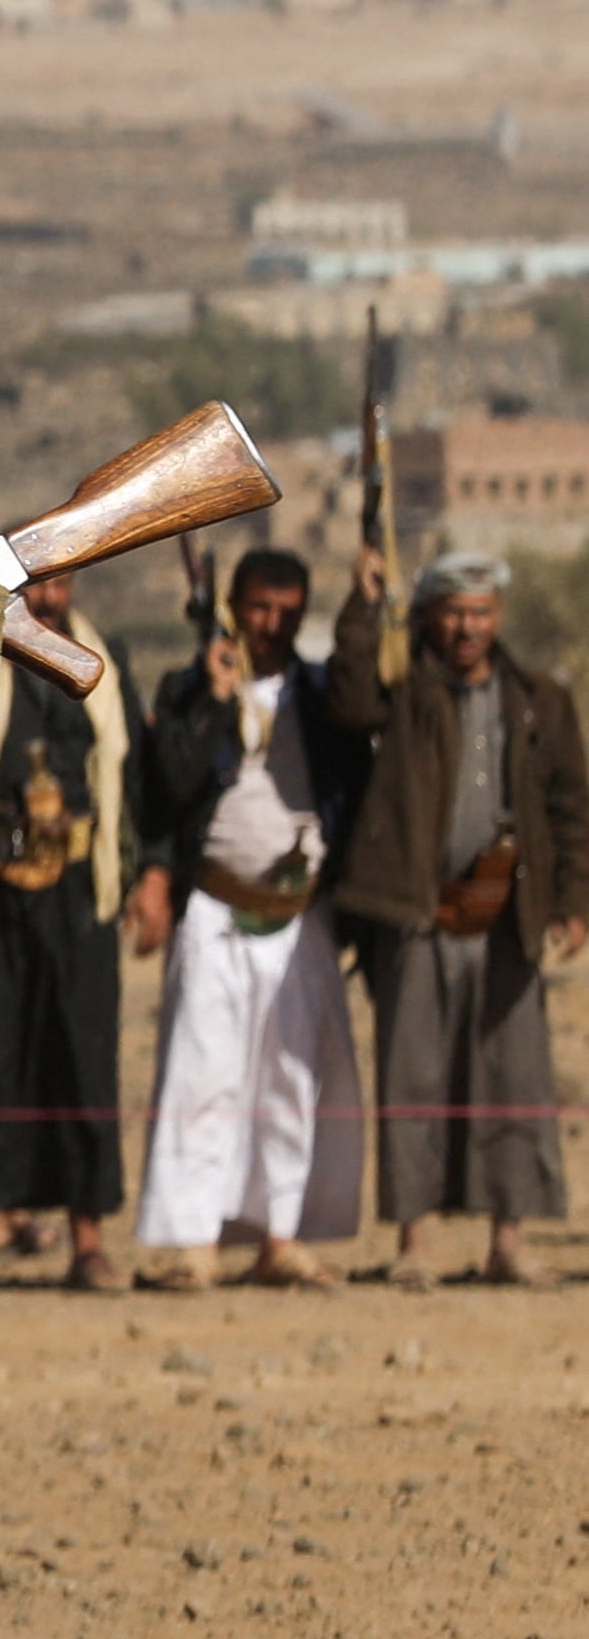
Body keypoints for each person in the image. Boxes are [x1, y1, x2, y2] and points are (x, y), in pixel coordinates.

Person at [314, 547, 587, 1286]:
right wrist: (364, 606)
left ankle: (510, 1241)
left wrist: (571, 905)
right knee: (414, 1076)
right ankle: (417, 1246)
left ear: (497, 616)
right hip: (418, 914)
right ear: (431, 616)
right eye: (454, 612)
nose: (468, 626)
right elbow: (347, 700)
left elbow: (569, 810)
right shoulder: (404, 690)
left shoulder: (538, 700)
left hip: (508, 918)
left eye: (481, 612)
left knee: (516, 1077)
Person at [125, 549, 363, 1287]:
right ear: (234, 605)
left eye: (287, 612)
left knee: (291, 1080)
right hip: (216, 908)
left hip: (298, 915)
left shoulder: (323, 696)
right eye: (260, 608)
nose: (273, 624)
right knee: (203, 1076)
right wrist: (215, 702)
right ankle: (195, 1243)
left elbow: (364, 733)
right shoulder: (190, 688)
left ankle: (279, 1235)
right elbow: (165, 786)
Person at [0, 567, 134, 1290]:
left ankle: (88, 1240)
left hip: (78, 894)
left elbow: (126, 778)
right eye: (34, 586)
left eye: (60, 584)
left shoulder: (100, 662)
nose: (48, 599)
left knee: (82, 1061)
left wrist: (149, 875)